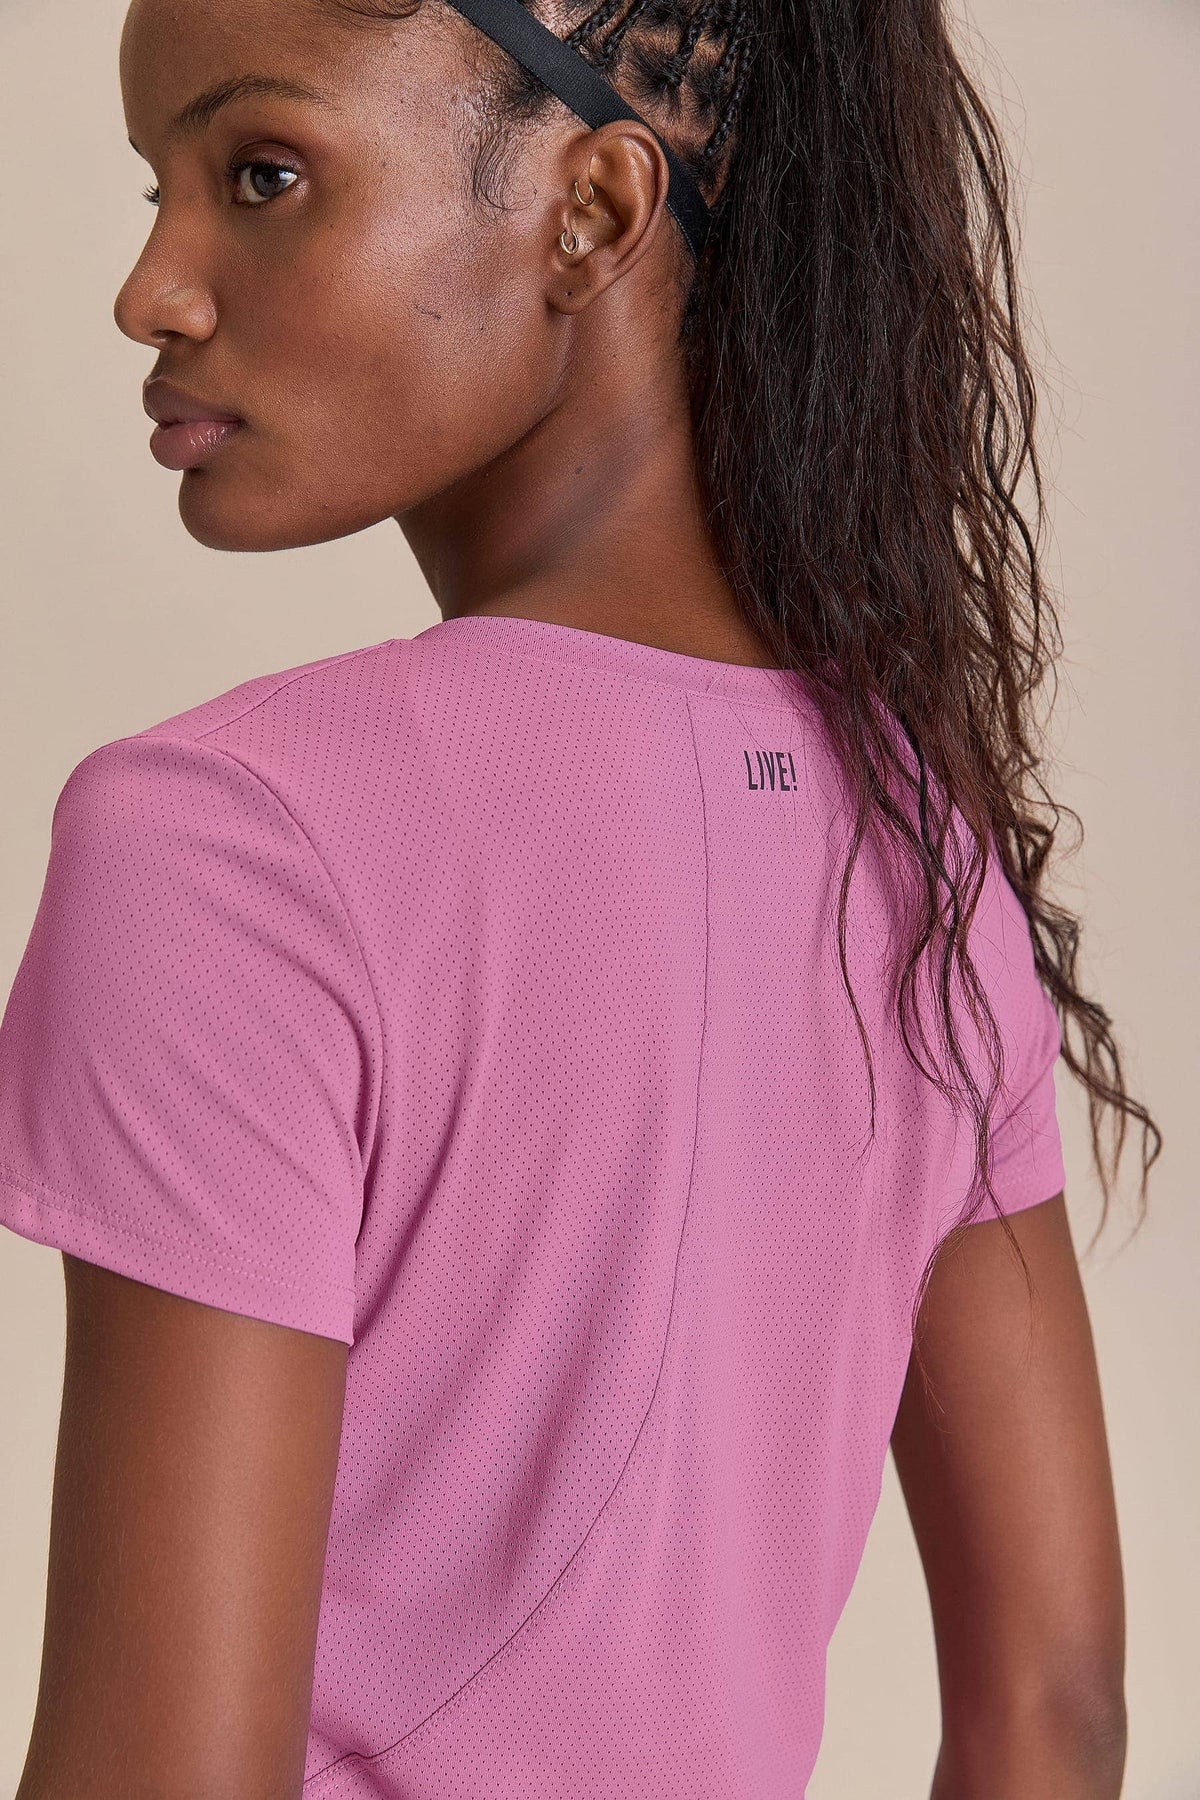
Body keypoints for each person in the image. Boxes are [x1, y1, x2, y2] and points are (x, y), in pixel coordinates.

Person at [0, 0, 1160, 1794]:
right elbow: (1054, 1710)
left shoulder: (233, 846)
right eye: (163, 188)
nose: (153, 290)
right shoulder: (922, 854)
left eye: (265, 174)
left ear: (592, 210)